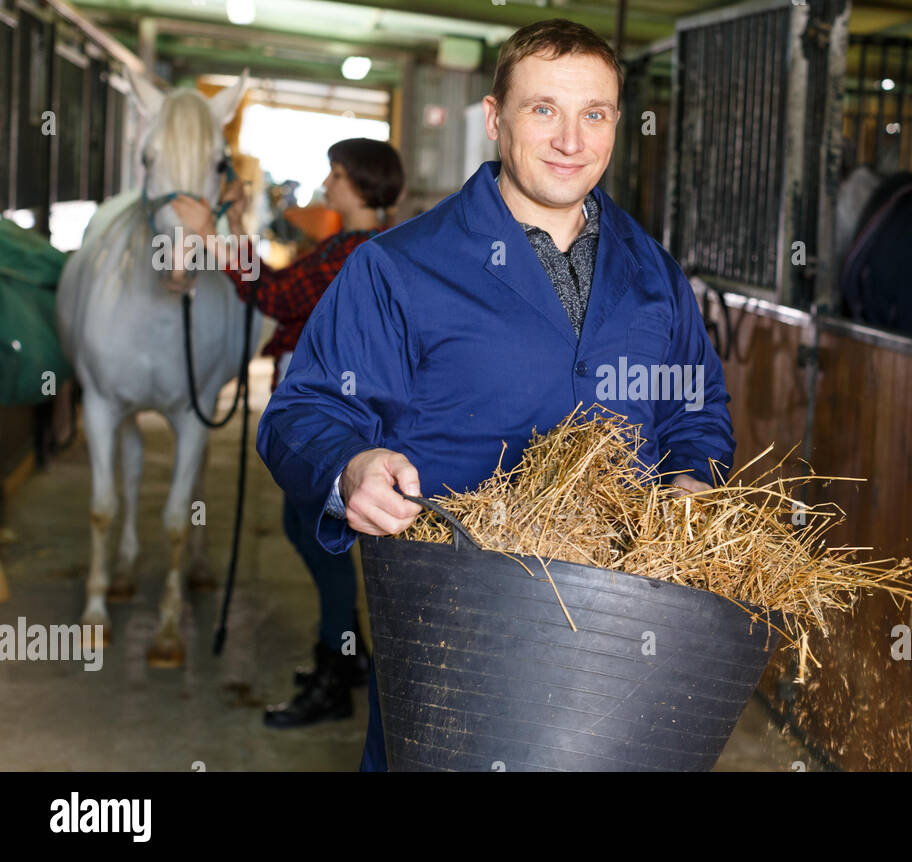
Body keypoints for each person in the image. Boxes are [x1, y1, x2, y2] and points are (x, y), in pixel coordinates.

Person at [256, 18, 735, 771]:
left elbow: (696, 409)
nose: (571, 140)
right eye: (543, 109)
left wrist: (690, 479)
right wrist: (349, 467)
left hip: (618, 639)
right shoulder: (400, 268)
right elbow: (303, 412)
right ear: (494, 119)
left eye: (595, 114)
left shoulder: (654, 276)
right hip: (453, 634)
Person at [172, 138, 405, 728]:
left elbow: (275, 294)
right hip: (345, 415)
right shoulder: (375, 242)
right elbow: (285, 281)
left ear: (357, 185)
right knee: (299, 529)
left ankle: (334, 671)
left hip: (331, 420)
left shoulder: (356, 251)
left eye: (334, 176)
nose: (326, 187)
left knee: (317, 533)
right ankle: (349, 654)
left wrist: (215, 240)